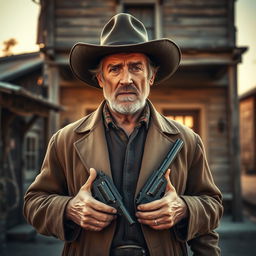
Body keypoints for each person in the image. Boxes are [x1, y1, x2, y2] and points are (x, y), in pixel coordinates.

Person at [23, 13, 223, 256]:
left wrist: (184, 208)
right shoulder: (65, 140)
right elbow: (34, 203)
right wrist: (68, 208)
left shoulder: (188, 140)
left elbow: (212, 206)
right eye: (115, 69)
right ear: (100, 79)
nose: (126, 80)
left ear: (151, 76)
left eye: (136, 67)